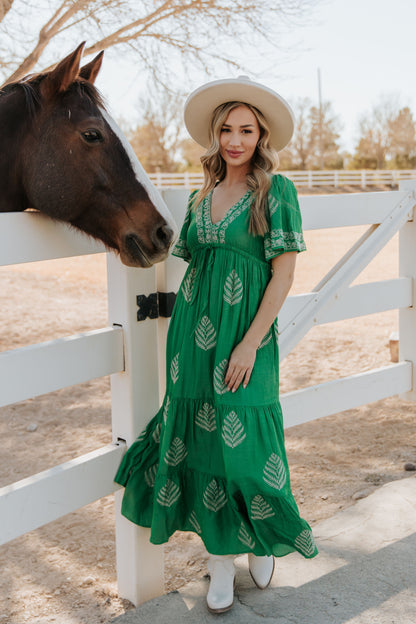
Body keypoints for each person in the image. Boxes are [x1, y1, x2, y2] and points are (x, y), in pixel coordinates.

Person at [114, 76, 318, 614]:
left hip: (246, 338)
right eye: (226, 129)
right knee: (202, 448)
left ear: (261, 136)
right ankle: (220, 562)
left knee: (247, 449)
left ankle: (258, 537)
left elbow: (282, 277)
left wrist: (250, 343)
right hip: (192, 340)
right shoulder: (200, 194)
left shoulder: (278, 191)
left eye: (246, 130)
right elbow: (190, 265)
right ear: (215, 135)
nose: (235, 139)